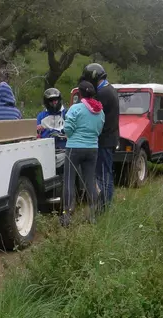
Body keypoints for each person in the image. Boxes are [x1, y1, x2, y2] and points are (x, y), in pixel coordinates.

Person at [60, 80, 105, 227]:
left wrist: (72, 135)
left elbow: (68, 129)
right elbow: (99, 130)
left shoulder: (75, 108)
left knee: (69, 181)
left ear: (80, 94)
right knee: (90, 181)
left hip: (74, 148)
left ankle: (67, 216)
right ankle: (92, 216)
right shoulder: (100, 110)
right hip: (92, 148)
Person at [81, 63, 119, 210]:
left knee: (103, 175)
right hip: (111, 137)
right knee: (107, 173)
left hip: (104, 139)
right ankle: (105, 205)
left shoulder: (103, 93)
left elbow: (94, 114)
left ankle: (103, 207)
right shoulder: (111, 89)